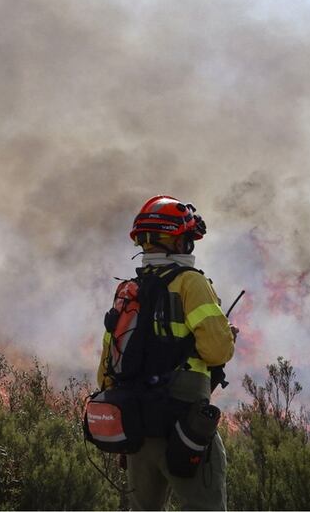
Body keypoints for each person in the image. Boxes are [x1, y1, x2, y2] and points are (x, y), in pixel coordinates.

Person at [96, 195, 236, 511]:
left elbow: (106, 369)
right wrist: (227, 336)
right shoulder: (190, 283)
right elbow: (216, 351)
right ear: (180, 242)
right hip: (183, 424)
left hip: (135, 428)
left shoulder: (128, 291)